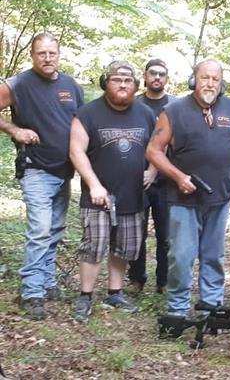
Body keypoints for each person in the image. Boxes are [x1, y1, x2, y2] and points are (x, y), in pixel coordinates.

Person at [146, 59, 230, 318]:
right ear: (194, 79)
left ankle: (211, 309)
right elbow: (153, 151)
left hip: (220, 199)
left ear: (221, 83)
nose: (210, 84)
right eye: (205, 77)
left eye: (215, 79)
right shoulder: (174, 111)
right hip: (183, 199)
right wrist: (178, 177)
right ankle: (177, 310)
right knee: (181, 258)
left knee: (214, 257)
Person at [0, 33, 84, 320]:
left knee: (56, 229)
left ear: (59, 54)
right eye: (41, 53)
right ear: (32, 55)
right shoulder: (18, 84)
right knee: (40, 229)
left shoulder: (71, 85)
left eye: (52, 53)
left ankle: (47, 281)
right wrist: (15, 130)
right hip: (35, 168)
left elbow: (80, 124)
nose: (47, 58)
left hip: (64, 170)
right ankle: (31, 291)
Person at [70, 61, 156, 322]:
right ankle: (85, 295)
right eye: (116, 80)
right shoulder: (88, 113)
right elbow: (76, 151)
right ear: (105, 83)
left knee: (125, 247)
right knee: (94, 245)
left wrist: (153, 171)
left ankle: (114, 293)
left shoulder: (146, 114)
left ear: (135, 85)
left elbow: (159, 146)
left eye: (128, 80)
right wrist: (94, 184)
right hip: (98, 195)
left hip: (133, 193)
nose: (122, 84)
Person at [128, 58, 175, 293]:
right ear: (145, 76)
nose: (157, 77)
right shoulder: (133, 104)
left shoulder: (175, 106)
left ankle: (163, 281)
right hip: (137, 179)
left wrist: (155, 170)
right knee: (136, 232)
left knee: (166, 235)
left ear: (167, 79)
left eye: (161, 74)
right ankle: (136, 278)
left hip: (167, 180)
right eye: (153, 73)